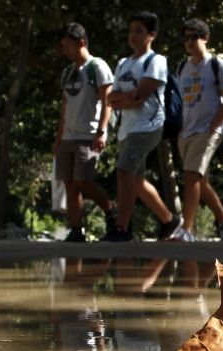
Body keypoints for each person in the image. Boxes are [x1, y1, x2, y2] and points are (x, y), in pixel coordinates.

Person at [102, 11, 182, 242]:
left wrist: (122, 99)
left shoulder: (156, 61)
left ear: (151, 35)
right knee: (135, 180)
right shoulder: (123, 63)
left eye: (139, 31)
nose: (133, 35)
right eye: (131, 30)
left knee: (123, 170)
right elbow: (110, 98)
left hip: (148, 126)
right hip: (126, 128)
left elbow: (141, 94)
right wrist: (123, 99)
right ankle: (169, 220)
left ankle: (121, 229)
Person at [170, 19, 223, 242]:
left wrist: (214, 126)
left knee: (190, 175)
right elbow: (179, 100)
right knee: (200, 181)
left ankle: (186, 230)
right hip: (186, 132)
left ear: (205, 38)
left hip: (208, 130)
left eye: (194, 37)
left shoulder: (217, 65)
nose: (189, 42)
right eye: (186, 37)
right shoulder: (182, 67)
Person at [54, 23, 116, 243]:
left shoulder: (97, 67)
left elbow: (108, 100)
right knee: (70, 183)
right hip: (68, 136)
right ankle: (76, 229)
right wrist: (58, 139)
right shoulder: (67, 73)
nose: (65, 51)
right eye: (63, 46)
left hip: (88, 134)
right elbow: (64, 109)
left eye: (68, 46)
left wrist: (101, 131)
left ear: (81, 43)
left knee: (84, 181)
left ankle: (111, 211)